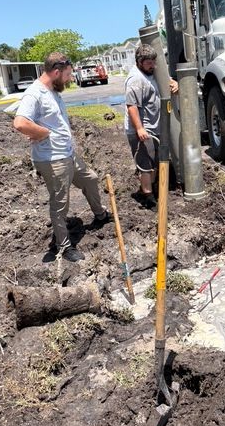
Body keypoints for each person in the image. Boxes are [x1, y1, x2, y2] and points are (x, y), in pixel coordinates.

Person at [13, 52, 110, 262]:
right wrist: (42, 133)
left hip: (67, 155)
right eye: (67, 75)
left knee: (90, 179)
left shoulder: (53, 90)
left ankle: (100, 214)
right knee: (60, 204)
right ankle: (64, 247)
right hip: (52, 159)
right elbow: (20, 122)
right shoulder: (35, 94)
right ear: (56, 72)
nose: (69, 79)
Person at [124, 44, 178, 209]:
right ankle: (148, 198)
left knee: (154, 162)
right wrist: (139, 128)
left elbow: (164, 81)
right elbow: (131, 106)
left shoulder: (150, 72)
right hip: (140, 129)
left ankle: (147, 189)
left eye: (154, 62)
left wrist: (174, 83)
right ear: (140, 62)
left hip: (154, 128)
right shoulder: (135, 79)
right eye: (149, 63)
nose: (153, 65)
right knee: (145, 164)